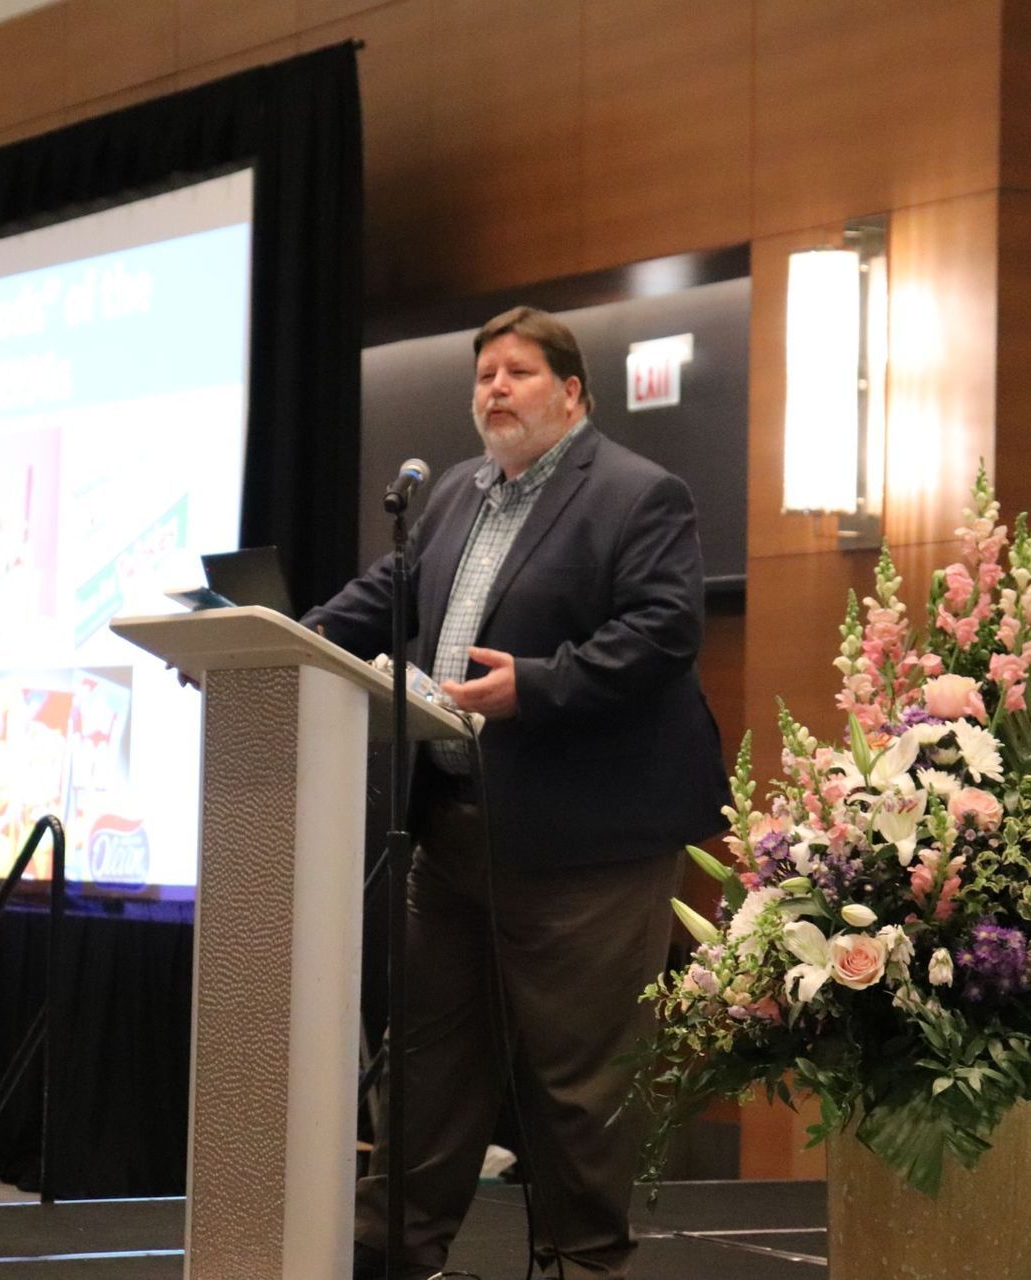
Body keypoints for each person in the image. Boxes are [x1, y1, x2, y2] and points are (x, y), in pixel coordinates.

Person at [303, 306, 731, 1279]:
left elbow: (666, 631)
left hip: (589, 842)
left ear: (572, 392)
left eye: (518, 371)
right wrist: (285, 637)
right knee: (425, 1062)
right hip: (456, 829)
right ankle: (392, 1251)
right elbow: (389, 592)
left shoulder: (637, 492)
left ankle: (581, 1259)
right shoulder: (457, 490)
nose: (494, 387)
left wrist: (533, 684)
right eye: (484, 372)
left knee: (577, 1077)